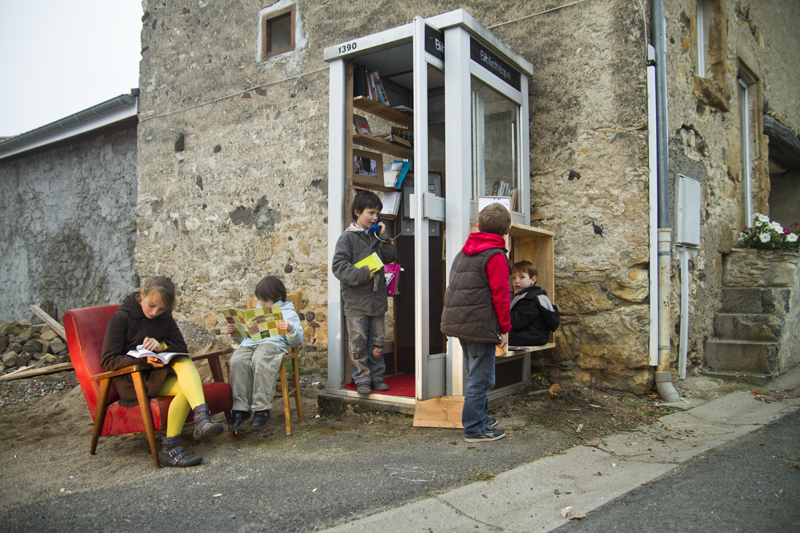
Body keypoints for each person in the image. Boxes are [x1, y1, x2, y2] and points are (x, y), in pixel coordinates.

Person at [101, 276, 224, 467]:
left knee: (184, 370)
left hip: (157, 376)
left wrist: (161, 346)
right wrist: (142, 358)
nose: (154, 312)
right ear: (142, 294)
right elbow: (108, 361)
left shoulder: (163, 317)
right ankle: (200, 419)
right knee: (186, 379)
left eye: (161, 309)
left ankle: (173, 447)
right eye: (151, 305)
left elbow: (181, 346)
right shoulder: (120, 318)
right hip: (133, 381)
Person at [440, 203, 512, 442]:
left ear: (479, 226)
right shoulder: (495, 256)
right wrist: (505, 328)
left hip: (461, 322)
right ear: (507, 230)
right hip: (480, 325)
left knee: (475, 374)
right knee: (481, 378)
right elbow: (501, 295)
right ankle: (474, 428)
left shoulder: (464, 252)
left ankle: (480, 417)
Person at [332, 190, 398, 395]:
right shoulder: (347, 238)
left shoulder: (377, 235)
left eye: (377, 213)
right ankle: (362, 378)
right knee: (358, 342)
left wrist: (383, 236)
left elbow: (390, 257)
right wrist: (362, 274)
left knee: (377, 341)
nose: (375, 217)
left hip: (377, 300)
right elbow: (338, 267)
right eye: (371, 213)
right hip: (356, 302)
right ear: (358, 212)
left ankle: (377, 376)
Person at [226, 276, 304, 432]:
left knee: (260, 359)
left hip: (271, 345)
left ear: (278, 297)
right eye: (259, 300)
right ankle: (240, 409)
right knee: (236, 360)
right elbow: (244, 337)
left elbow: (298, 340)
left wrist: (290, 329)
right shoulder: (256, 310)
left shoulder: (287, 311)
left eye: (265, 301)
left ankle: (262, 409)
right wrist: (235, 333)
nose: (261, 304)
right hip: (250, 343)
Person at [509, 261, 558, 346]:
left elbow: (517, 322)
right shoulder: (537, 296)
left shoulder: (530, 299)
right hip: (535, 336)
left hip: (532, 336)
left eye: (521, 277)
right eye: (513, 278)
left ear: (533, 280)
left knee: (496, 338)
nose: (516, 281)